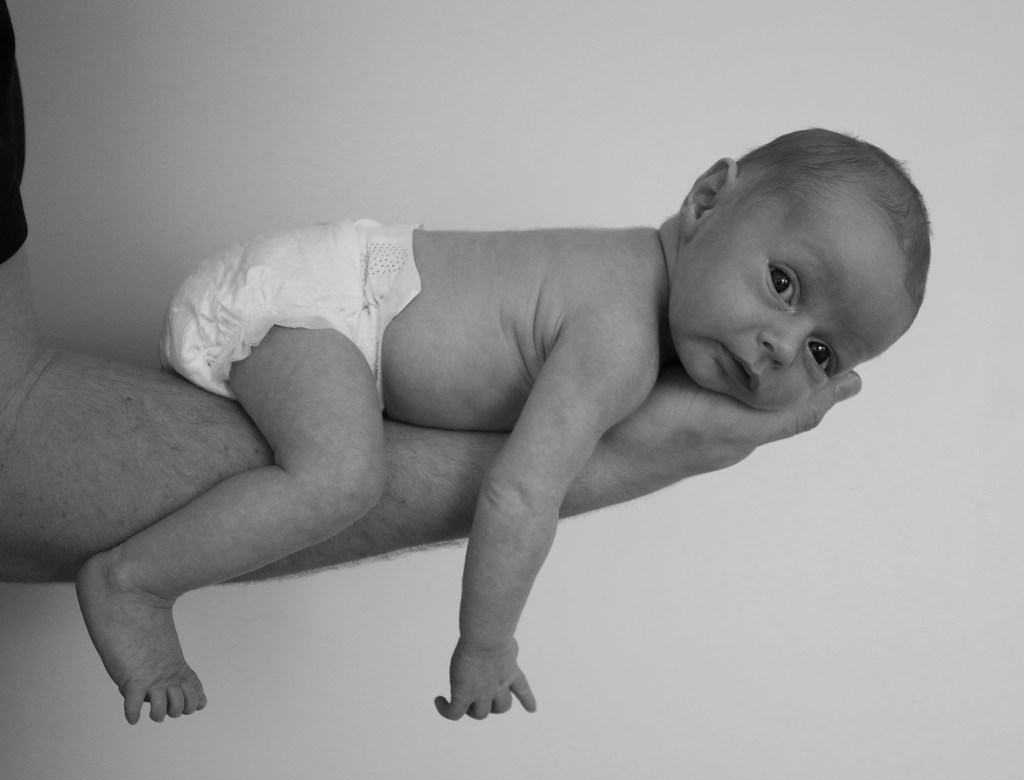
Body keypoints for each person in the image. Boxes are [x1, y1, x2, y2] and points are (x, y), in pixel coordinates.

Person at [0, 3, 902, 723]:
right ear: (706, 200)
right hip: (322, 302)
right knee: (343, 475)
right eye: (783, 283)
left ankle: (138, 573)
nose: (783, 345)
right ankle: (134, 580)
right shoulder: (620, 333)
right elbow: (518, 494)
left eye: (822, 351)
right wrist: (486, 644)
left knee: (334, 462)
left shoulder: (626, 290)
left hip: (337, 297)